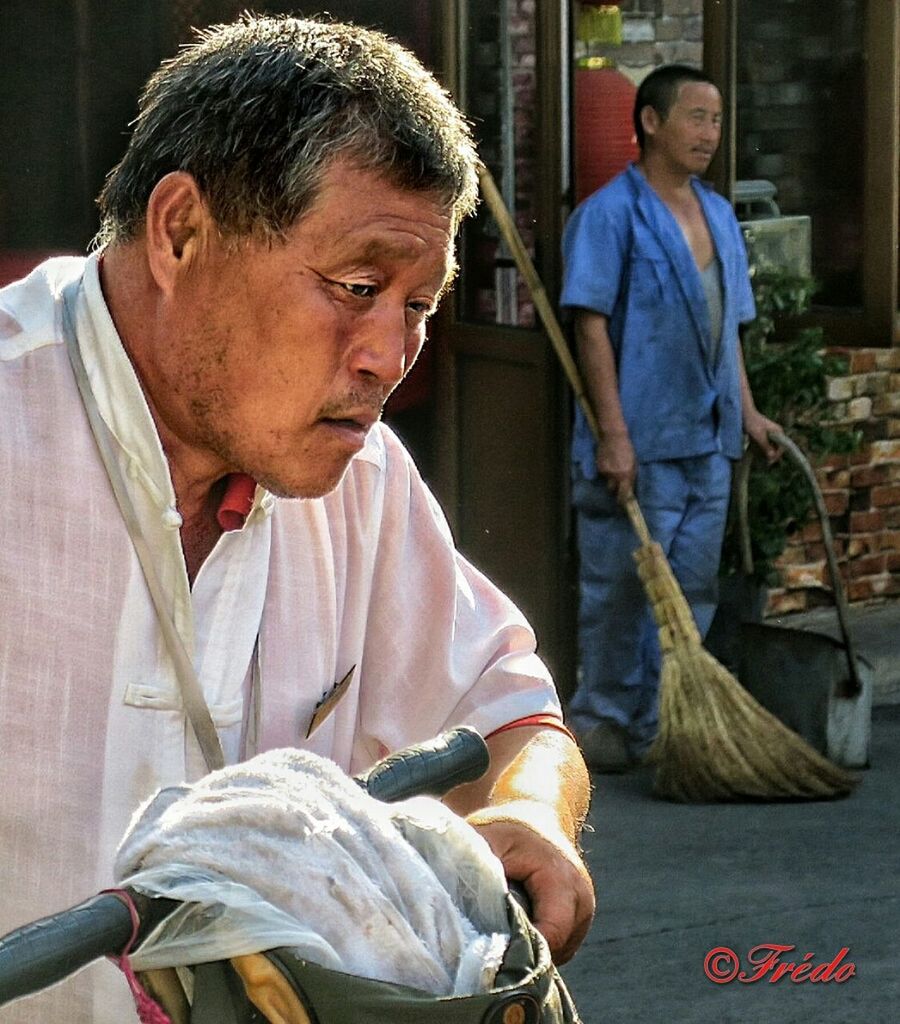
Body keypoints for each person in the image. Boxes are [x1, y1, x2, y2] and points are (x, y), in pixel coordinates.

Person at [0, 16, 593, 1023]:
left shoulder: (361, 482)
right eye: (357, 287)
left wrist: (531, 811)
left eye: (417, 305)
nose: (388, 354)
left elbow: (511, 713)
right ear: (181, 230)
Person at [561, 64, 780, 772]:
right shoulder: (608, 215)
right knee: (622, 585)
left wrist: (746, 413)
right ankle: (604, 719)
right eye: (695, 117)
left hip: (707, 437)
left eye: (715, 120)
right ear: (651, 122)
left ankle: (665, 719)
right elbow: (589, 327)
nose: (709, 134)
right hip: (639, 440)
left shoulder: (717, 214)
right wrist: (613, 435)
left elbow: (729, 331)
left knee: (692, 584)